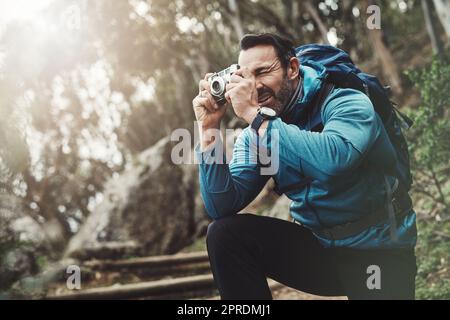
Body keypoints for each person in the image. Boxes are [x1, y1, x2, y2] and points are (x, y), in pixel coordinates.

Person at [191, 33, 417, 300]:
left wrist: (254, 116)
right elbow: (221, 205)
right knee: (224, 234)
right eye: (246, 76)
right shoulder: (258, 131)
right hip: (321, 251)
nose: (255, 85)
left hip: (378, 252)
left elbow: (333, 160)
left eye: (263, 72)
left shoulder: (346, 101)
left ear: (293, 69)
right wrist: (208, 129)